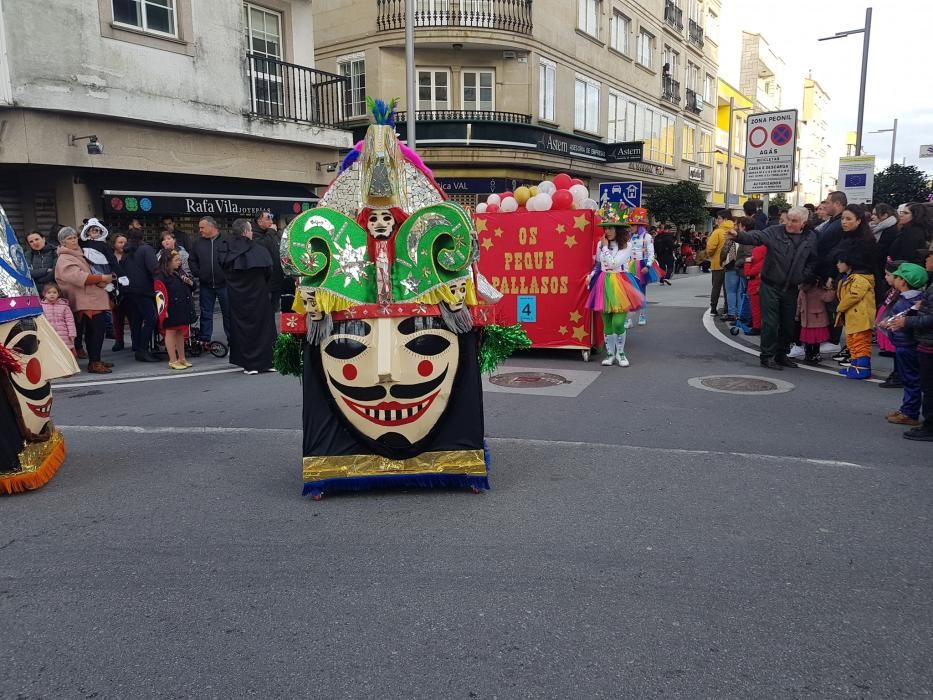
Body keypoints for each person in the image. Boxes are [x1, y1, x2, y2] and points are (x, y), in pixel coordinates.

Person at [730, 207, 818, 370]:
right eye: (788, 219)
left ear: (803, 223)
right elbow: (756, 237)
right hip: (771, 283)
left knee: (787, 323)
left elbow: (813, 260)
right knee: (770, 322)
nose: (789, 224)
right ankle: (767, 356)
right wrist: (739, 236)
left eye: (794, 221)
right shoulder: (775, 231)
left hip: (792, 287)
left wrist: (804, 276)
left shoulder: (811, 238)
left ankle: (781, 354)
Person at [585, 207, 646, 367]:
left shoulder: (626, 245)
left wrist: (604, 247)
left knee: (619, 322)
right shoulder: (601, 243)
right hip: (603, 283)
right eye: (606, 227)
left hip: (620, 282)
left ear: (618, 229)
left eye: (611, 227)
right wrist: (591, 276)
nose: (607, 230)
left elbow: (613, 263)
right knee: (607, 322)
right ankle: (611, 354)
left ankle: (621, 353)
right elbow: (599, 264)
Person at [54, 227, 115, 374]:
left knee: (94, 331)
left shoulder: (78, 254)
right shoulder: (64, 258)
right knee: (96, 330)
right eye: (69, 238)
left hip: (90, 298)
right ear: (63, 242)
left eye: (74, 237)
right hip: (84, 300)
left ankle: (95, 360)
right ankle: (94, 362)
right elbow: (78, 277)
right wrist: (101, 278)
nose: (74, 240)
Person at [886, 249, 933, 440]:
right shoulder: (921, 295)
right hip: (919, 342)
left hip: (919, 343)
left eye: (929, 257)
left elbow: (927, 318)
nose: (927, 260)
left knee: (921, 384)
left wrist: (905, 322)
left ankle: (916, 417)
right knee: (920, 382)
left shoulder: (910, 299)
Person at [219, 218, 275, 375]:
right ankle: (267, 362)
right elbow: (269, 271)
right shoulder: (259, 249)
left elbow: (223, 268)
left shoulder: (225, 248)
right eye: (250, 230)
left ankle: (250, 364)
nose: (251, 233)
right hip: (259, 292)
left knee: (243, 328)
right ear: (245, 232)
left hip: (238, 295)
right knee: (264, 327)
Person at [879, 262, 928, 425]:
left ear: (903, 281)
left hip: (907, 345)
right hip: (904, 343)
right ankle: (906, 409)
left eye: (897, 277)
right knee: (910, 378)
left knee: (910, 379)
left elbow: (906, 321)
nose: (894, 279)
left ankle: (910, 412)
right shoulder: (913, 299)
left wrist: (891, 323)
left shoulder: (910, 302)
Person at [834, 250, 876, 380]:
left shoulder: (859, 278)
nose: (838, 265)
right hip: (852, 316)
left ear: (849, 263)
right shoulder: (849, 278)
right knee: (852, 342)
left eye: (840, 262)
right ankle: (854, 366)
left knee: (860, 342)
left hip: (860, 316)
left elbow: (855, 295)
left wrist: (840, 307)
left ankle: (862, 369)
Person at [189, 216, 231, 346]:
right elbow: (192, 260)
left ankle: (232, 339)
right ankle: (205, 339)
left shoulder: (226, 240)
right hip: (206, 285)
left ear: (211, 227)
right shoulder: (197, 243)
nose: (200, 230)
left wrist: (229, 273)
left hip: (225, 284)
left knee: (229, 313)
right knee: (206, 313)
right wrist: (198, 273)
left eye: (202, 227)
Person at [121, 226, 160, 362]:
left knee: (135, 321)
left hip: (128, 291)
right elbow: (154, 269)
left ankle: (137, 347)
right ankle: (143, 349)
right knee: (151, 319)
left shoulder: (125, 251)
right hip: (144, 290)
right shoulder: (146, 249)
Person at [155, 250, 194, 370]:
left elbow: (192, 286)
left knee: (180, 332)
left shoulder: (178, 273)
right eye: (176, 260)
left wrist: (189, 282)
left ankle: (182, 358)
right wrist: (163, 310)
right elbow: (159, 294)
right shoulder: (161, 276)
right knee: (170, 332)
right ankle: (172, 359)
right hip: (170, 308)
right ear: (168, 262)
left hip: (181, 307)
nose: (179, 262)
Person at [252, 211, 285, 316]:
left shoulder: (273, 233)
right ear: (259, 221)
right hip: (264, 282)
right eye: (268, 218)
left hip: (277, 279)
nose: (271, 221)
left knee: (274, 310)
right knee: (264, 312)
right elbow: (263, 246)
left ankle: (271, 331)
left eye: (271, 218)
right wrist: (271, 232)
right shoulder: (254, 234)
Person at [795, 276, 835, 365]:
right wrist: (831, 288)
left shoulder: (802, 290)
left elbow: (799, 303)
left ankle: (808, 355)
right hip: (818, 318)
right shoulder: (819, 290)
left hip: (806, 319)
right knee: (817, 339)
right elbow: (828, 298)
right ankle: (815, 354)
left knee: (807, 339)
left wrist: (797, 315)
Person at [706, 209, 734, 316]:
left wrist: (711, 255)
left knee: (716, 287)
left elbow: (710, 247)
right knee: (729, 288)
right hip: (730, 264)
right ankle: (728, 309)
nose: (717, 221)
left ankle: (713, 308)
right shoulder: (734, 231)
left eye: (718, 218)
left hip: (718, 264)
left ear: (725, 219)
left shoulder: (717, 232)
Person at [40, 282, 77, 358]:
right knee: (52, 353)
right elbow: (41, 322)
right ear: (44, 294)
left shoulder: (64, 307)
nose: (52, 294)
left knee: (65, 353)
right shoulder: (41, 307)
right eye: (49, 292)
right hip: (49, 334)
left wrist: (72, 333)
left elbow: (70, 321)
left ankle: (68, 368)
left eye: (54, 292)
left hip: (64, 335)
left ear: (58, 294)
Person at [110, 233, 129, 351]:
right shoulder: (110, 257)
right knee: (117, 317)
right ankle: (119, 340)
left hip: (128, 288)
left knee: (133, 316)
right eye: (120, 242)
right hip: (113, 289)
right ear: (114, 244)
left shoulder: (130, 256)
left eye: (125, 242)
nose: (123, 245)